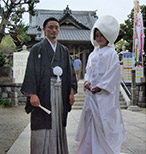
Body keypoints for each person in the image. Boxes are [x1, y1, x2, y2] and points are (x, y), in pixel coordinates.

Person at [21, 17, 77, 154]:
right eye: (50, 27)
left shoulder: (63, 50)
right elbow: (31, 71)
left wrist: (71, 92)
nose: (53, 30)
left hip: (60, 92)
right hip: (43, 93)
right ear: (44, 29)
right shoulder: (37, 49)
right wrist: (32, 94)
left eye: (56, 27)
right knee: (42, 122)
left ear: (59, 30)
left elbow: (70, 72)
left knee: (57, 123)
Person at [75, 15, 126, 154]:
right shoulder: (92, 54)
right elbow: (88, 71)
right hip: (92, 95)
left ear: (108, 35)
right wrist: (86, 81)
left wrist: (102, 86)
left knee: (105, 124)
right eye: (96, 35)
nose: (99, 38)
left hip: (105, 96)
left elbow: (114, 73)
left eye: (102, 35)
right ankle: (90, 149)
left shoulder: (112, 53)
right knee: (91, 122)